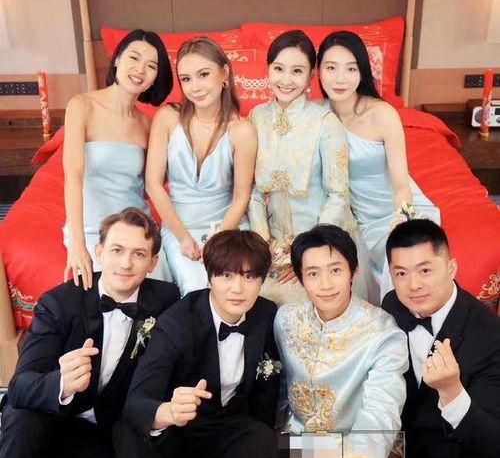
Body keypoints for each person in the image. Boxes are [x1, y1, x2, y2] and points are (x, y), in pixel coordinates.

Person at [236, 224, 425, 458]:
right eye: (312, 273)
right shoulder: (286, 320)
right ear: (299, 278)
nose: (325, 284)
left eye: (335, 270)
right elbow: (278, 392)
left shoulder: (382, 332)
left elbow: (383, 408)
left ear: (353, 271)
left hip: (363, 447)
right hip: (297, 447)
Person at [0, 208, 179, 458]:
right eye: (116, 250)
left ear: (153, 262)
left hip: (103, 437)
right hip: (53, 420)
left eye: (138, 253)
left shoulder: (166, 302)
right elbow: (20, 386)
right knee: (19, 415)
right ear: (98, 252)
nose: (125, 263)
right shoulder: (59, 303)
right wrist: (61, 383)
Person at [113, 230, 280, 458]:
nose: (237, 288)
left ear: (262, 280)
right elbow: (137, 401)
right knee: (127, 431)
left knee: (262, 438)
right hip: (177, 437)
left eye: (249, 276)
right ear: (209, 277)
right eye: (226, 275)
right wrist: (167, 412)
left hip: (226, 438)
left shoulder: (269, 317)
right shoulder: (178, 321)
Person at [383, 219, 500, 458]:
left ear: (451, 268)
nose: (413, 285)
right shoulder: (391, 308)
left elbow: (491, 439)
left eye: (425, 270)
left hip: (472, 455)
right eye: (401, 273)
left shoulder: (488, 333)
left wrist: (452, 391)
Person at [248, 30, 374, 307]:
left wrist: (307, 254)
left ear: (310, 76)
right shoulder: (256, 117)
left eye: (297, 71)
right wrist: (264, 247)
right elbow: (253, 192)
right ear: (267, 69)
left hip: (319, 246)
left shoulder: (325, 122)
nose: (286, 80)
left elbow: (338, 195)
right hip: (270, 250)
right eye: (278, 69)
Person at [317, 30, 440, 300]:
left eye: (351, 68)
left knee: (405, 260)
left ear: (362, 72)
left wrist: (401, 225)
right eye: (331, 68)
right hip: (360, 219)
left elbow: (401, 185)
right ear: (318, 71)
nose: (340, 78)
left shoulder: (382, 114)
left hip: (400, 208)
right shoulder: (316, 115)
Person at [63, 29, 174, 289]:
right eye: (134, 58)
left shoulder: (148, 124)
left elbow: (156, 182)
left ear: (155, 77)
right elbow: (73, 177)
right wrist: (78, 243)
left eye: (151, 66)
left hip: (136, 227)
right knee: (105, 293)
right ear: (117, 60)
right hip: (93, 227)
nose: (140, 70)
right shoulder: (82, 106)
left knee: (159, 293)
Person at [146, 37, 257, 296]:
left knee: (228, 287)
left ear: (224, 73)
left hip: (227, 228)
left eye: (203, 74)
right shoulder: (167, 118)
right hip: (178, 227)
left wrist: (217, 241)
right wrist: (183, 238)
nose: (195, 87)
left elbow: (241, 197)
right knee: (195, 287)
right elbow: (153, 185)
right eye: (186, 79)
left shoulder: (242, 130)